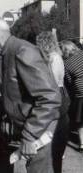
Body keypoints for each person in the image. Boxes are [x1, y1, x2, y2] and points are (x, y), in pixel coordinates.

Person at [0, 16, 63, 173]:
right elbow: (8, 99)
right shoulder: (6, 54)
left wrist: (30, 135)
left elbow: (50, 98)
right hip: (37, 131)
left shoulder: (22, 51)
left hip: (42, 133)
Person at [36, 31, 70, 169]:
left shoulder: (54, 58)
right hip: (56, 97)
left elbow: (53, 83)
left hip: (56, 97)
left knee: (55, 147)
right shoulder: (52, 57)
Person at [60, 40, 83, 152]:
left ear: (65, 50)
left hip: (80, 94)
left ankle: (82, 143)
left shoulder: (66, 63)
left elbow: (68, 81)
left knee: (80, 121)